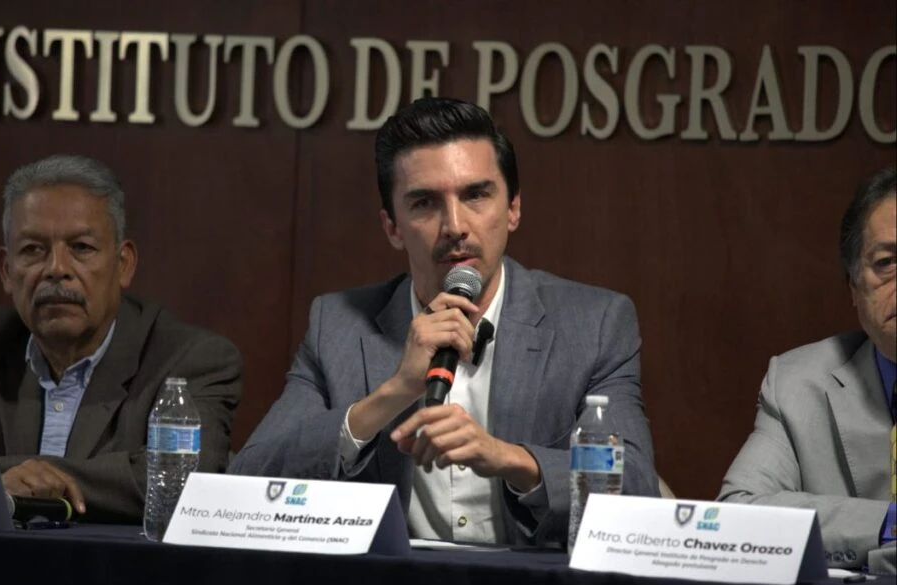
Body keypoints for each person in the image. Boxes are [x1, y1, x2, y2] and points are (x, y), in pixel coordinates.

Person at [230, 97, 659, 546]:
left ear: (513, 208)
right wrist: (393, 393)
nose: (455, 225)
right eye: (425, 203)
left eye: (476, 195)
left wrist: (511, 459)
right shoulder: (337, 326)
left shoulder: (594, 324)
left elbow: (637, 492)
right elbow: (248, 485)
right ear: (393, 227)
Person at [0, 154, 243, 523]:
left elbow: (185, 482)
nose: (57, 269)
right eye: (33, 250)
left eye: (81, 248)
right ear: (6, 270)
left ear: (123, 264)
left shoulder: (189, 359)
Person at [719, 166, 896, 572]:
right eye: (886, 262)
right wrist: (887, 525)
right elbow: (739, 516)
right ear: (854, 288)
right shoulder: (799, 383)